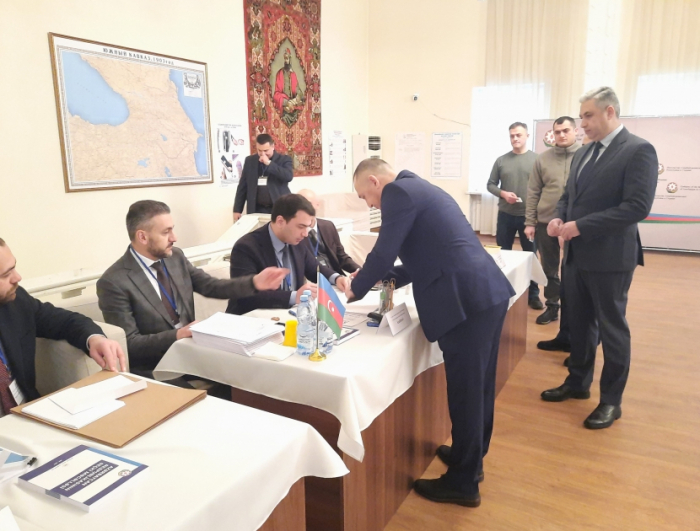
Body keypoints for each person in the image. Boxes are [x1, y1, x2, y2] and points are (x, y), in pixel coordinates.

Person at [346, 160, 515, 508]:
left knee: (466, 391)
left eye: (366, 196)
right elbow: (429, 254)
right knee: (479, 386)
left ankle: (464, 483)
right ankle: (471, 459)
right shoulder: (420, 187)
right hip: (483, 293)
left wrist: (354, 289)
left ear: (375, 181)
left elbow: (383, 250)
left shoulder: (397, 193)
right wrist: (388, 277)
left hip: (465, 300)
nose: (370, 205)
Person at [541, 87, 658, 430]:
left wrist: (580, 226)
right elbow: (568, 196)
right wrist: (560, 218)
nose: (582, 124)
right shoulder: (583, 153)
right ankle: (578, 383)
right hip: (576, 255)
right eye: (581, 117)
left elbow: (637, 207)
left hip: (610, 257)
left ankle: (611, 401)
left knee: (612, 328)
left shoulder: (638, 150)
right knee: (579, 322)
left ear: (610, 112)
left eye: (588, 116)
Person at [97, 201, 287, 377]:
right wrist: (177, 335)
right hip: (160, 365)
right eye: (166, 232)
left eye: (173, 230)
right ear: (142, 237)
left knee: (257, 369)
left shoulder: (175, 257)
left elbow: (211, 286)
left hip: (197, 350)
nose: (174, 238)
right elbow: (129, 344)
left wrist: (254, 283)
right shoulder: (114, 282)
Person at [0, 238, 125, 415]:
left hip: (25, 415)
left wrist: (95, 339)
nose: (17, 278)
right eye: (5, 275)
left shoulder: (15, 301)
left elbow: (62, 320)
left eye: (14, 267)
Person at [226, 194, 349, 315]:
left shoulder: (298, 241)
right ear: (280, 221)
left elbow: (314, 268)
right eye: (301, 227)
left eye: (307, 227)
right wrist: (294, 296)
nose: (305, 234)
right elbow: (246, 296)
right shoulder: (246, 247)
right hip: (250, 321)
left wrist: (337, 278)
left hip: (290, 316)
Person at [525, 117, 582, 327]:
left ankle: (573, 310)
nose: (562, 135)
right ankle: (552, 306)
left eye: (566, 130)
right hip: (546, 223)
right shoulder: (542, 159)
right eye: (557, 132)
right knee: (549, 268)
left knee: (574, 270)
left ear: (575, 131)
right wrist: (530, 221)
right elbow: (532, 192)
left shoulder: (586, 156)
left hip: (577, 226)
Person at [487, 122, 542, 309]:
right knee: (502, 254)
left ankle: (533, 294)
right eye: (512, 136)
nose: (515, 139)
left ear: (527, 135)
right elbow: (491, 185)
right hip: (506, 215)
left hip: (529, 218)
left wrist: (535, 218)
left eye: (518, 135)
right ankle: (503, 290)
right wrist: (503, 194)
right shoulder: (501, 160)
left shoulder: (537, 160)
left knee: (530, 255)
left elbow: (543, 188)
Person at [297, 188, 361, 277]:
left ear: (318, 205)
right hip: (313, 281)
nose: (304, 208)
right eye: (300, 205)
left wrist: (360, 271)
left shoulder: (328, 226)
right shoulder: (295, 232)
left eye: (308, 203)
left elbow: (341, 257)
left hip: (337, 278)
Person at [233, 134, 293, 222]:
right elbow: (242, 186)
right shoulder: (250, 161)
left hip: (277, 208)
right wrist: (237, 209)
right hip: (256, 209)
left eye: (266, 150)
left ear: (273, 146)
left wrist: (269, 163)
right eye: (259, 150)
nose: (263, 154)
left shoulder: (284, 159)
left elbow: (288, 176)